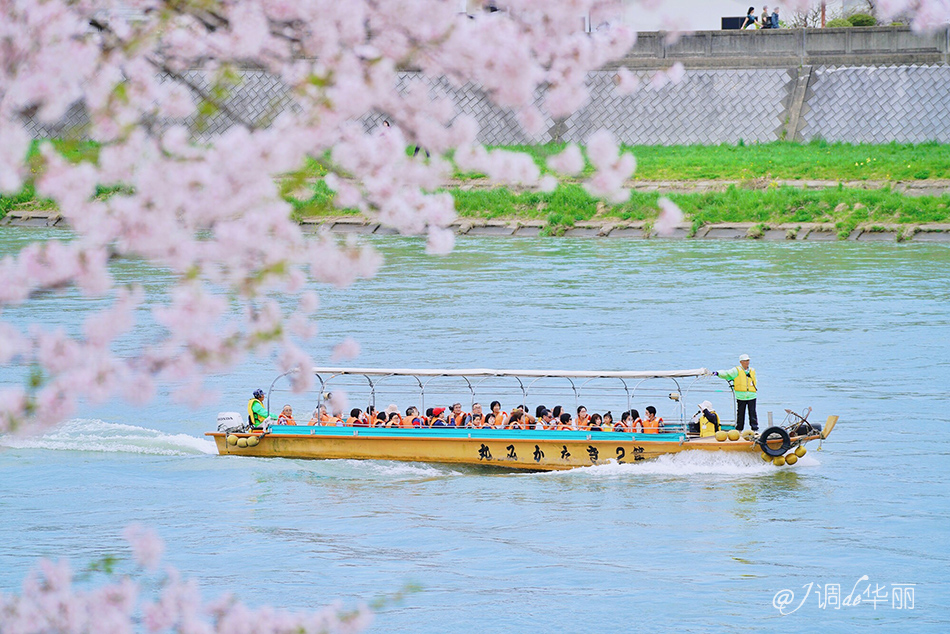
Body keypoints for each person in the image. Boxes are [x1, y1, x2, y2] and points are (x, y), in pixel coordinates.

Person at [714, 354, 759, 432]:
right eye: (745, 361)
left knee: (753, 413)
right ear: (741, 362)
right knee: (741, 413)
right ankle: (739, 429)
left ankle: (755, 429)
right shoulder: (736, 370)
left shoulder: (752, 370)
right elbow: (727, 374)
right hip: (741, 395)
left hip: (752, 395)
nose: (747, 362)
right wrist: (718, 373)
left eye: (748, 360)